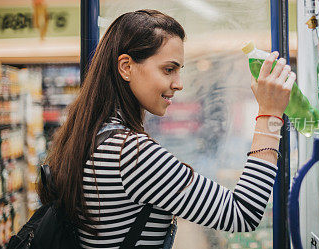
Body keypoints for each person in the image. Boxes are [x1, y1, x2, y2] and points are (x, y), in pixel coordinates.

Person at [37, 9, 295, 249]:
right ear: (126, 67)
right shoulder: (129, 154)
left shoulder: (94, 135)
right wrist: (270, 115)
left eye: (179, 70)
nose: (179, 84)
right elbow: (243, 213)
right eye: (168, 69)